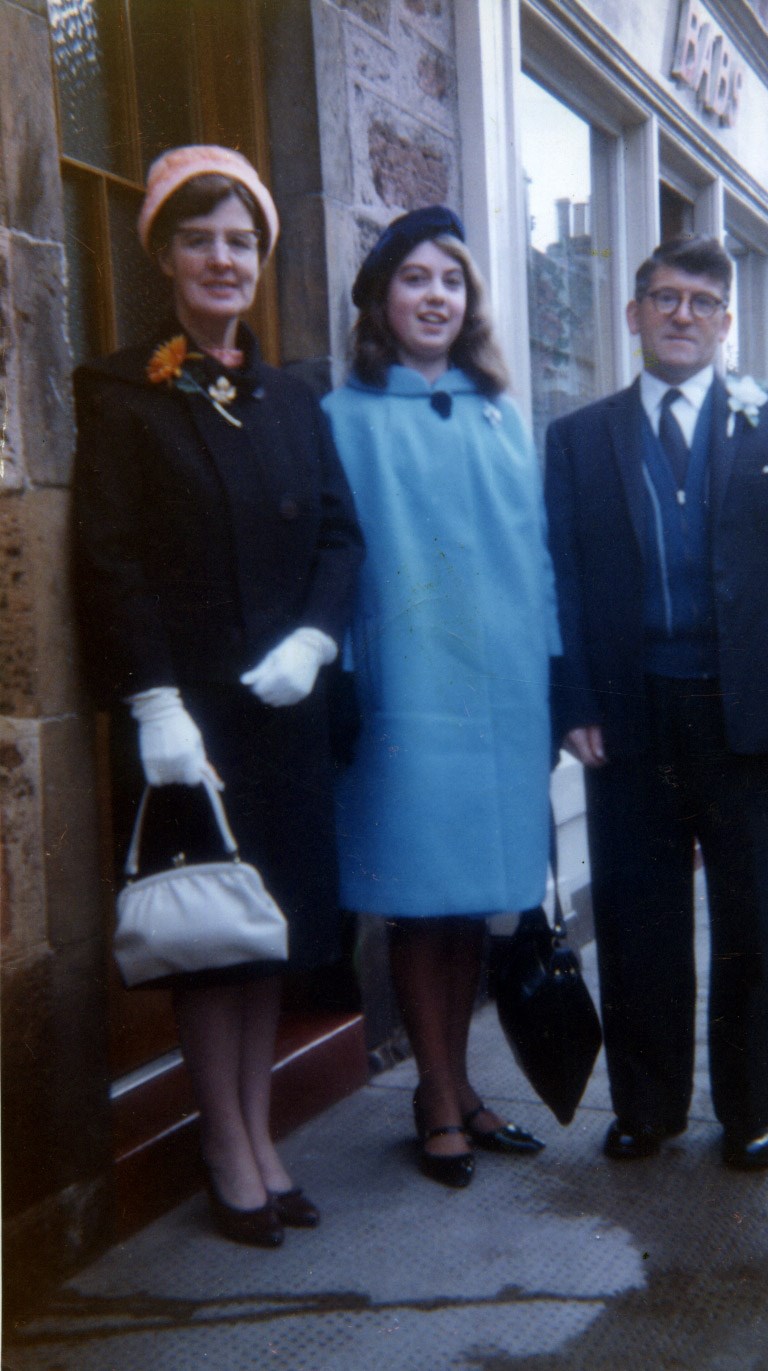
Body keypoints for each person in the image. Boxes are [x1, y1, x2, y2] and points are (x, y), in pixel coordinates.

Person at [73, 146, 364, 1245]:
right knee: (208, 940)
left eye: (239, 240)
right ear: (163, 254)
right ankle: (224, 1142)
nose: (221, 259)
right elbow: (110, 562)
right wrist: (152, 705)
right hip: (189, 721)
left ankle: (254, 1129)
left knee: (265, 930)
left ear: (262, 259)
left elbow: (342, 536)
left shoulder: (293, 395)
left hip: (281, 711)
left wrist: (316, 640)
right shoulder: (119, 390)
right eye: (197, 238)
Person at [545, 235, 768, 1171]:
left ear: (726, 322)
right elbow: (558, 581)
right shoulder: (577, 438)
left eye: (702, 302)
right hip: (631, 719)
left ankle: (751, 1106)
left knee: (751, 920)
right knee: (640, 921)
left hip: (748, 716)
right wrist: (575, 700)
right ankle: (647, 1106)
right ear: (632, 315)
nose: (683, 316)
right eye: (664, 298)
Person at [323, 206, 561, 1187]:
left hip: (501, 694)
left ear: (469, 302)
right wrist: (342, 672)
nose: (434, 296)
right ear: (382, 301)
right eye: (414, 279)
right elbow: (332, 560)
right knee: (421, 903)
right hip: (405, 691)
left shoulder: (505, 417)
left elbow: (536, 557)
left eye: (450, 281)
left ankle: (459, 1087)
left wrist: (551, 664)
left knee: (471, 904)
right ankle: (433, 1093)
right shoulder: (343, 419)